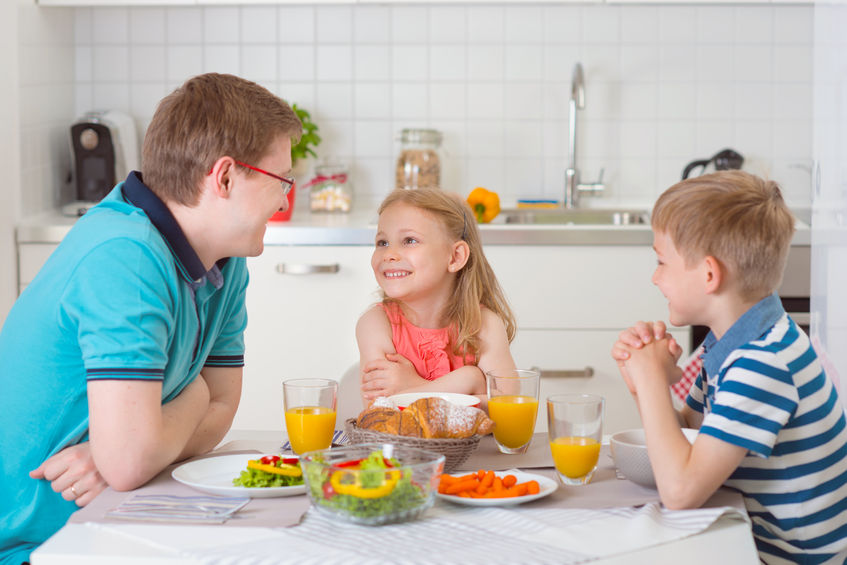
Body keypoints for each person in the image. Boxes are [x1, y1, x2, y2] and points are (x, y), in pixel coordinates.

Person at [0, 73, 302, 564]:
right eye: (281, 181)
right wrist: (186, 403)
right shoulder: (126, 255)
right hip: (38, 546)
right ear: (224, 177)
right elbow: (141, 453)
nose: (285, 199)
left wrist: (124, 451)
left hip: (118, 511)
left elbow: (222, 410)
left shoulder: (226, 257)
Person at [611, 171, 847, 563]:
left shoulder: (763, 363)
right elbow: (692, 436)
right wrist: (642, 384)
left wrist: (652, 378)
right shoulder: (735, 340)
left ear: (709, 274)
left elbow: (681, 492)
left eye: (662, 262)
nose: (655, 277)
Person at [356, 188, 517, 404]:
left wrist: (413, 387)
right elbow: (382, 409)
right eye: (382, 243)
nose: (389, 254)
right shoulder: (376, 324)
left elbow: (509, 407)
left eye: (410, 240)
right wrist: (469, 380)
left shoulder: (484, 325)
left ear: (455, 257)